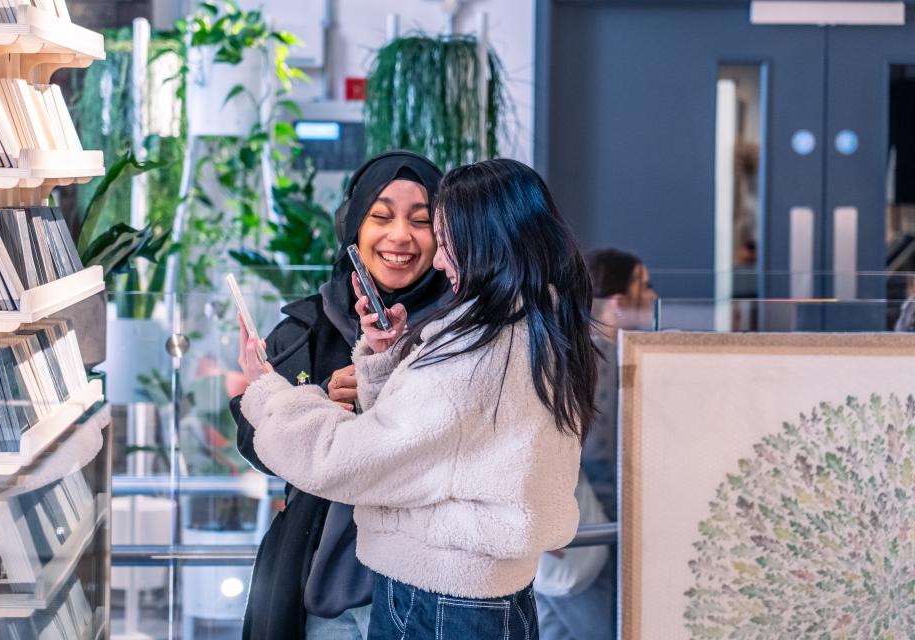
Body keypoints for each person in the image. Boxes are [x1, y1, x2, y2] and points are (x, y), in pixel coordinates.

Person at [236, 158, 600, 638]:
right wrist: (388, 362)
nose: (436, 256)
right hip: (484, 592)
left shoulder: (470, 352)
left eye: (438, 234)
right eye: (381, 217)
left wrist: (267, 392)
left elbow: (345, 459)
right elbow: (445, 447)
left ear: (482, 241)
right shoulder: (535, 327)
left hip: (443, 599)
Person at [229, 150, 449, 639]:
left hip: (432, 585)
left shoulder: (461, 332)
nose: (400, 237)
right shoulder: (309, 325)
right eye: (381, 216)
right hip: (320, 587)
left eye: (421, 221)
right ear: (353, 227)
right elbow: (253, 441)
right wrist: (317, 406)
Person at [534, 248, 656, 640]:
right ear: (617, 303)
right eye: (645, 286)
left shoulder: (562, 352)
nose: (654, 296)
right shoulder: (604, 365)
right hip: (591, 532)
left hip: (566, 533)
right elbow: (604, 459)